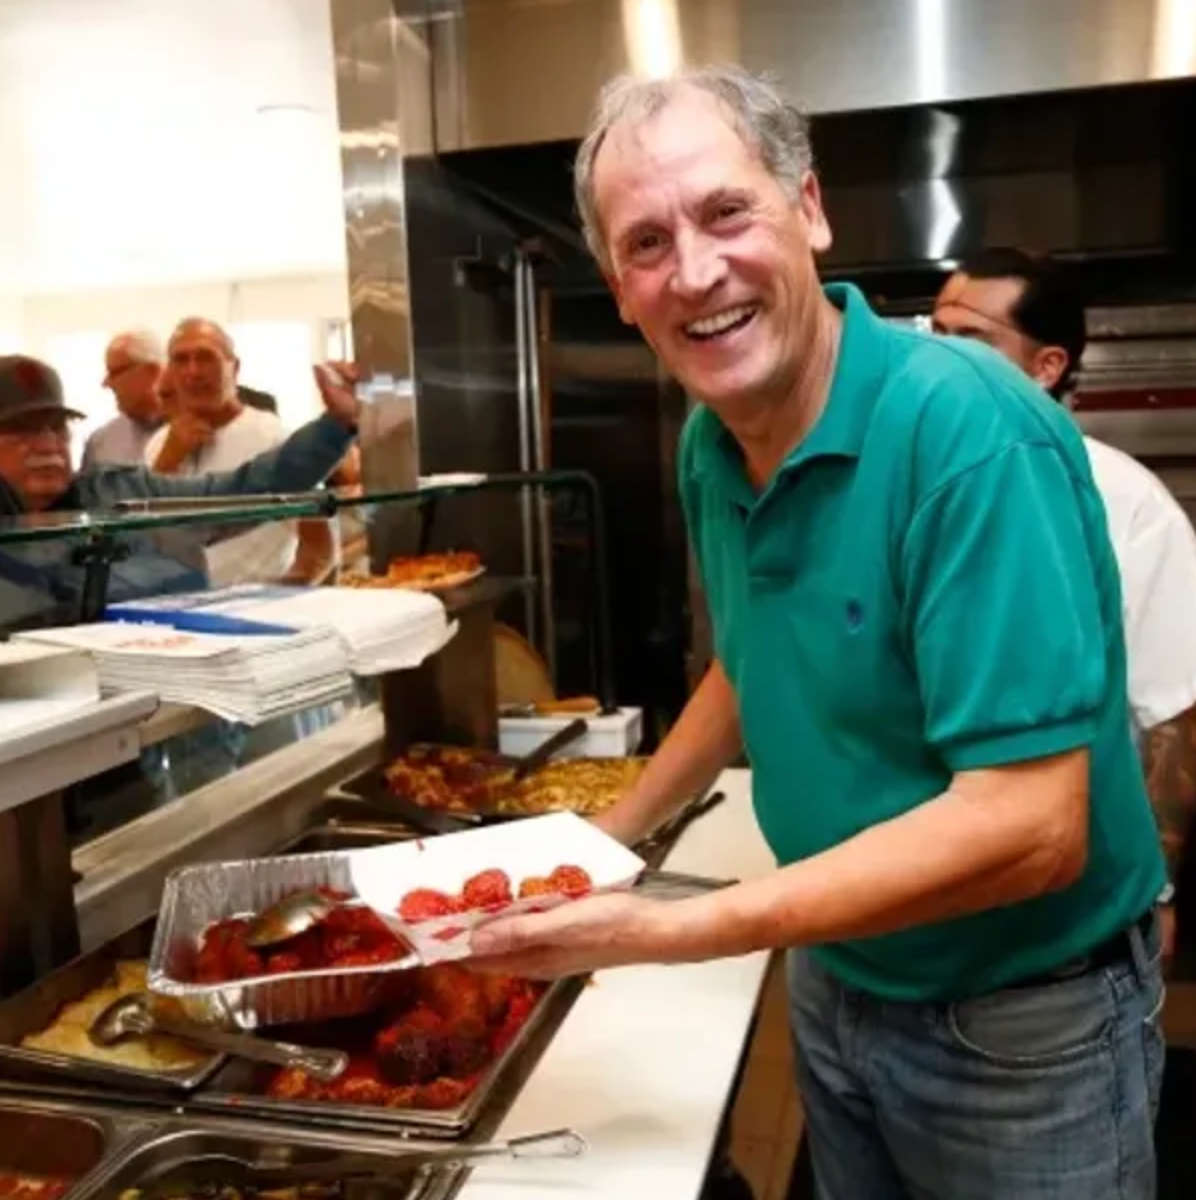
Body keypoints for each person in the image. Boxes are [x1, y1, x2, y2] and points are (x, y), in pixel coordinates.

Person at [467, 65, 1166, 1199]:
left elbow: (1032, 825)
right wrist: (606, 843)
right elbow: (754, 657)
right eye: (646, 244)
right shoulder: (712, 441)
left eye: (723, 212)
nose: (693, 272)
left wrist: (668, 929)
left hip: (1018, 1021)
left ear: (807, 208)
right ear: (617, 283)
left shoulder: (966, 430)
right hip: (839, 976)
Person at [933, 247, 1196, 965]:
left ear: (1047, 368)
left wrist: (1161, 889)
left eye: (971, 341)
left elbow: (1175, 720)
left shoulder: (1128, 506)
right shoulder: (919, 486)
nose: (940, 357)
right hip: (930, 902)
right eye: (936, 334)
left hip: (1074, 908)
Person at [0, 353, 361, 632]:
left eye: (57, 427)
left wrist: (336, 425)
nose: (48, 444)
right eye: (22, 429)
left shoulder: (124, 490)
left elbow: (248, 489)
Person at [146, 318, 295, 585]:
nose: (193, 372)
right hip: (176, 609)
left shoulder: (274, 437)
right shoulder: (158, 444)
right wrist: (167, 461)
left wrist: (282, 601)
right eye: (181, 360)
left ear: (234, 367)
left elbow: (320, 549)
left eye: (206, 358)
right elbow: (142, 539)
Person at [81, 331, 166, 468]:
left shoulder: (195, 432)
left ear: (152, 371)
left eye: (114, 372)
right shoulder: (100, 443)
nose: (106, 383)